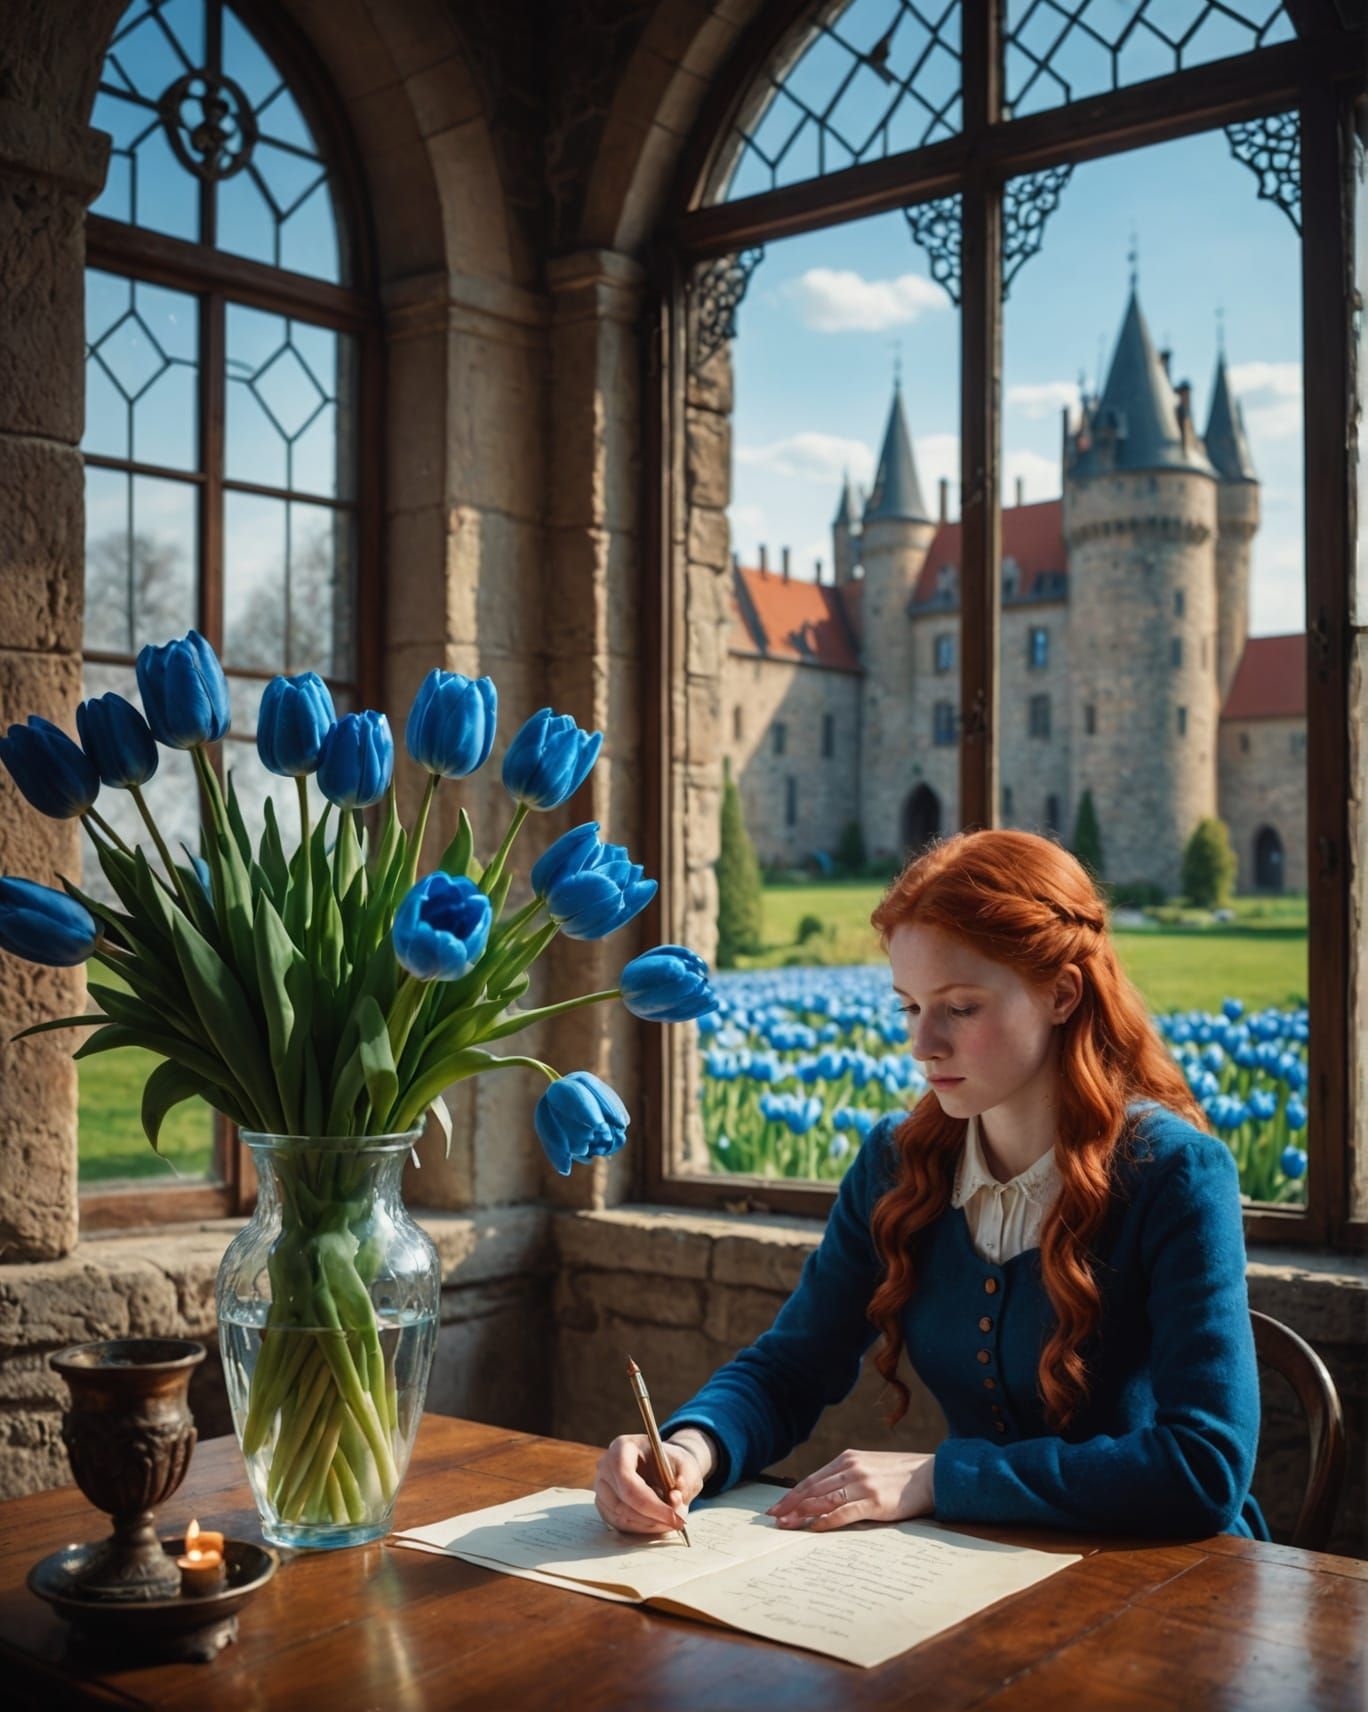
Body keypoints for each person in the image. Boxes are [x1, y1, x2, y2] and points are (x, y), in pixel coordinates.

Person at [593, 828, 1269, 1543]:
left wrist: (938, 1479)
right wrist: (689, 1448)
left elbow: (1204, 1468)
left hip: (1167, 1583)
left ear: (1062, 994)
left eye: (961, 1007)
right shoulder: (898, 1162)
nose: (923, 1045)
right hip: (975, 1567)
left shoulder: (1173, 1174)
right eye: (910, 1007)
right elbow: (792, 1366)